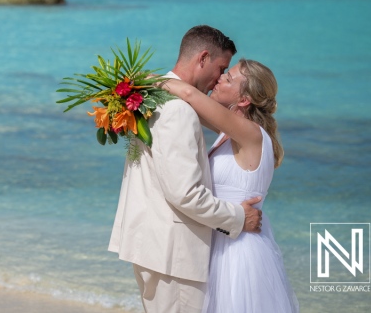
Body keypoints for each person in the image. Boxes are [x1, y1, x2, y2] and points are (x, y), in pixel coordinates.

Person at [108, 25, 263, 313]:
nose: (218, 79)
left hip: (154, 245)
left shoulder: (149, 94)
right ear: (203, 58)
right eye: (221, 68)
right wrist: (240, 217)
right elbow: (186, 195)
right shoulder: (178, 110)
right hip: (172, 254)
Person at [160, 58, 299, 312]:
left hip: (237, 252)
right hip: (223, 237)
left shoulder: (251, 133)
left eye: (228, 78)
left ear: (244, 100)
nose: (220, 78)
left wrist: (136, 83)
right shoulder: (229, 133)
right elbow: (186, 104)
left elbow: (189, 93)